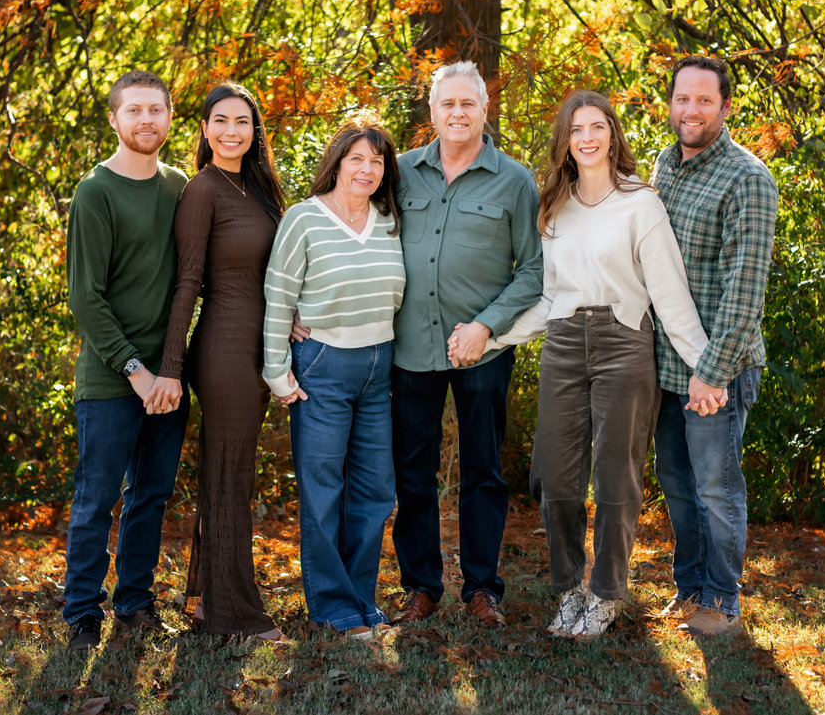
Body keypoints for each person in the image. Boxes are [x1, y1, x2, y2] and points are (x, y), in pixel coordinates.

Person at [488, 90, 711, 637]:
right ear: (564, 141)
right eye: (575, 129)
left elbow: (670, 295)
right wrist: (494, 339)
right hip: (563, 343)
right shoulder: (553, 209)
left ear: (613, 134)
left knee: (616, 474)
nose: (586, 138)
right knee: (555, 477)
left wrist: (706, 367)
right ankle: (568, 589)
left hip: (623, 341)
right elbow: (546, 298)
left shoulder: (641, 204)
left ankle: (608, 593)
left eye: (596, 127)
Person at [388, 61, 543, 627]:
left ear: (484, 110)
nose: (457, 113)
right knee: (412, 473)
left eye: (468, 104)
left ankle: (482, 589)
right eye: (446, 104)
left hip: (484, 352)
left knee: (483, 472)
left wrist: (486, 326)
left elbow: (532, 270)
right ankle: (421, 587)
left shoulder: (514, 180)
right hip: (409, 348)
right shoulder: (398, 173)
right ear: (431, 112)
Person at [146, 83, 288, 642]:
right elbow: (187, 283)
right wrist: (171, 366)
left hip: (261, 348)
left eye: (243, 122)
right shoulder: (203, 189)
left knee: (231, 475)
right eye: (221, 121)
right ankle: (237, 615)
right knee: (230, 478)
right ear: (204, 129)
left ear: (256, 131)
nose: (232, 131)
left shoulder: (257, 187)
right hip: (225, 351)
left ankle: (207, 598)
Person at [262, 115, 405, 639]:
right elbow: (279, 296)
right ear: (337, 164)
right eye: (357, 159)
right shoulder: (304, 218)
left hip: (379, 367)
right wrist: (276, 370)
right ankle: (331, 606)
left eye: (377, 160)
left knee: (374, 490)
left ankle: (361, 599)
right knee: (323, 490)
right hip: (322, 364)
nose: (367, 169)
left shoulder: (390, 218)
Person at [651, 55, 778, 636]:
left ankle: (723, 601)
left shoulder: (747, 178)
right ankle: (691, 586)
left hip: (716, 370)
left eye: (705, 100)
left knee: (716, 488)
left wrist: (712, 372)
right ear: (670, 103)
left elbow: (744, 290)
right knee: (677, 484)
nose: (691, 110)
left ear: (726, 107)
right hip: (665, 364)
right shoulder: (664, 164)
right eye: (683, 99)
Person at [63, 69, 189, 651]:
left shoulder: (181, 186)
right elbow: (85, 298)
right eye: (133, 110)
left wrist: (167, 371)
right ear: (113, 119)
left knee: (152, 496)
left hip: (166, 377)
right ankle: (81, 611)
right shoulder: (96, 192)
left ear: (169, 118)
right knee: (97, 499)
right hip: (114, 380)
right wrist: (136, 373)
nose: (145, 121)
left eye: (155, 110)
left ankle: (135, 603)